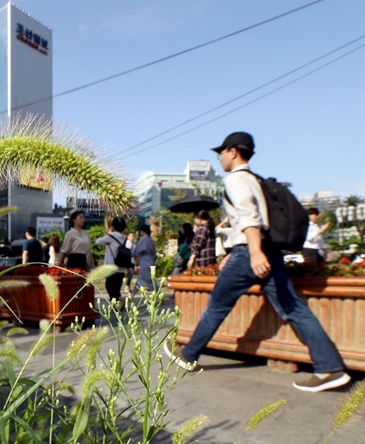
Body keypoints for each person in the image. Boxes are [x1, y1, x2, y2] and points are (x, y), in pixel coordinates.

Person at [164, 131, 350, 393]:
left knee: (217, 305)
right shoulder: (257, 180)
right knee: (293, 309)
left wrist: (253, 252)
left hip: (250, 253)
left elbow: (250, 218)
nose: (220, 158)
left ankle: (189, 355)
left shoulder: (237, 180)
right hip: (269, 251)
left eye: (221, 153)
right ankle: (329, 366)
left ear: (232, 151)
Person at [95, 217, 127, 302]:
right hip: (121, 267)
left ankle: (119, 300)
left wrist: (107, 237)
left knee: (109, 285)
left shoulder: (111, 236)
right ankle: (117, 304)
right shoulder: (125, 237)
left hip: (111, 266)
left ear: (113, 226)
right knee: (116, 287)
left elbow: (98, 242)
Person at [134, 225, 157, 290]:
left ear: (142, 231)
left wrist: (131, 254)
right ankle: (132, 296)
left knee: (149, 280)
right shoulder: (150, 240)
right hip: (150, 261)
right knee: (141, 280)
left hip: (145, 262)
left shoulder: (144, 240)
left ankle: (158, 294)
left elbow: (137, 250)